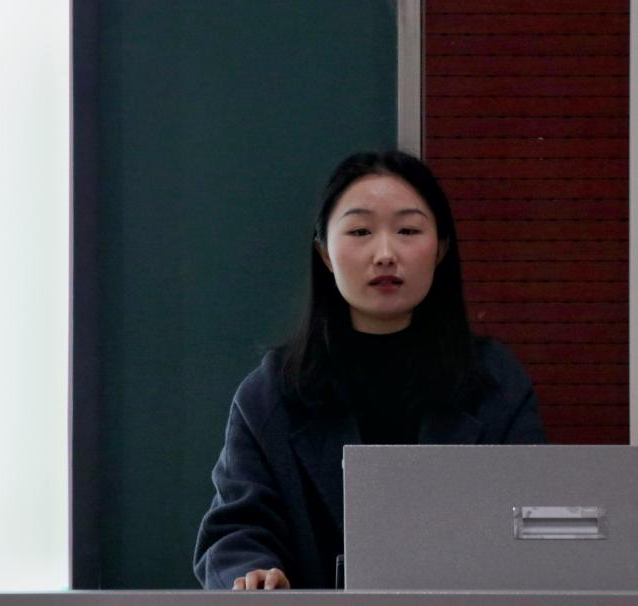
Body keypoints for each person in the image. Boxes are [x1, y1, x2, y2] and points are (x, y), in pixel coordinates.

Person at [193, 150, 546, 590]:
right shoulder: (272, 392)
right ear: (324, 253)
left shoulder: (495, 382)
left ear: (440, 249)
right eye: (360, 231)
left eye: (408, 230)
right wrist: (253, 573)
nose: (385, 254)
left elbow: (533, 524)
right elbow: (235, 529)